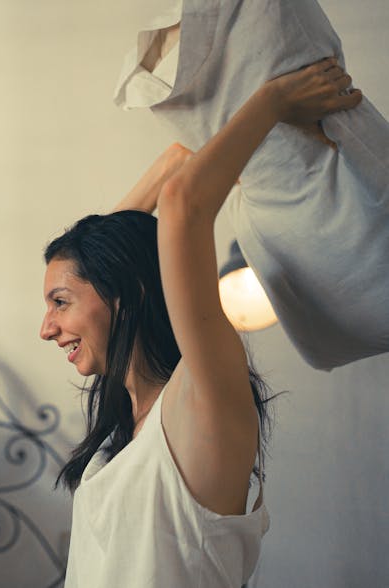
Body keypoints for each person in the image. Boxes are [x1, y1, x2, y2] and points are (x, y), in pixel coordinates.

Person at [41, 60, 361, 586]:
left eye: (59, 302)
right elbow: (103, 266)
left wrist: (273, 102)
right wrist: (176, 157)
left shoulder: (200, 398)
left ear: (124, 296)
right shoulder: (127, 430)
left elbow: (183, 207)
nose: (47, 328)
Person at [113, 0, 389, 370]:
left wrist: (203, 152)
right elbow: (169, 205)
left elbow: (104, 247)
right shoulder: (183, 377)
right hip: (324, 236)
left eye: (59, 302)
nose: (47, 328)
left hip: (305, 218)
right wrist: (270, 104)